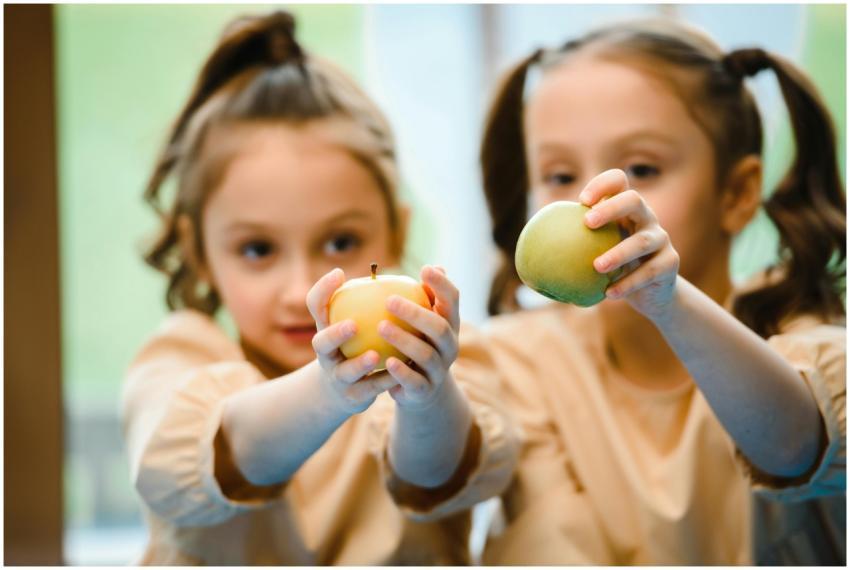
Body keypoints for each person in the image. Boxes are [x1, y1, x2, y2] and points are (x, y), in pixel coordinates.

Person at [122, 11, 517, 564]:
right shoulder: (181, 356)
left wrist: (426, 400)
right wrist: (331, 390)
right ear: (199, 253)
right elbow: (187, 462)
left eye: (340, 243)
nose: (303, 289)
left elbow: (439, 473)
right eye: (257, 250)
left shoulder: (442, 358)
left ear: (397, 230)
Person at [477, 17, 846, 565]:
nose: (592, 205)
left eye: (642, 168)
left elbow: (792, 450)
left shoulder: (807, 342)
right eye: (558, 176)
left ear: (738, 193)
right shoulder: (516, 361)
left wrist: (670, 303)